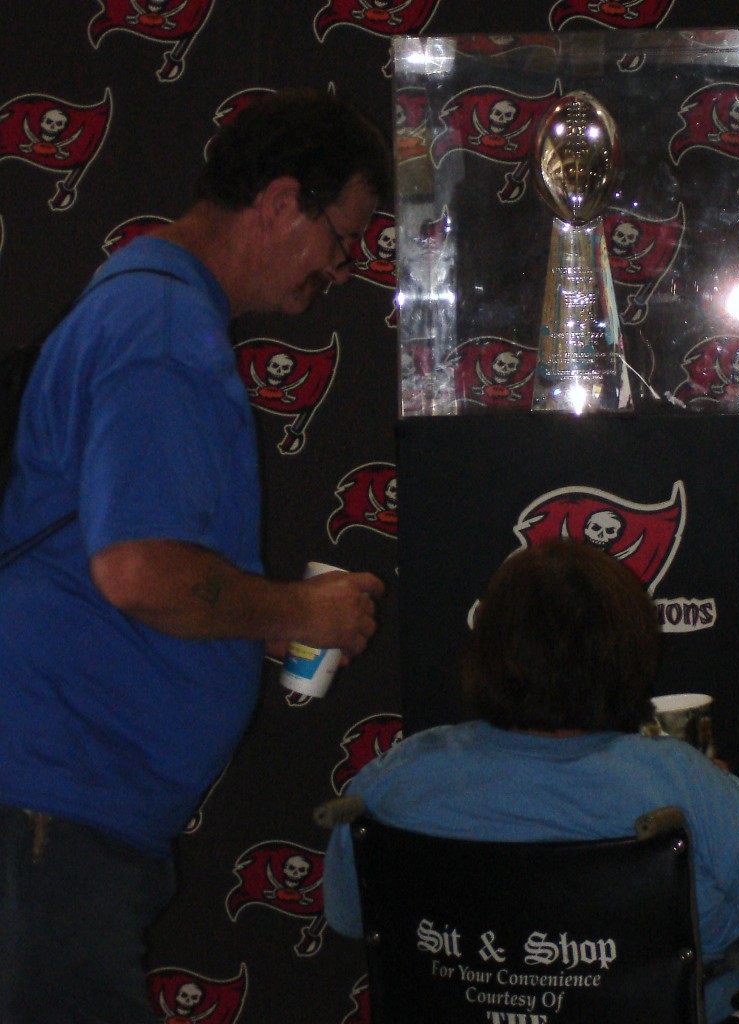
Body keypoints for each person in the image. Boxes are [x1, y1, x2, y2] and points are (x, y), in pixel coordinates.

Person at [0, 89, 390, 1023]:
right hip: (56, 796)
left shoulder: (149, 303)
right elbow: (135, 572)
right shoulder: (165, 331)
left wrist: (242, 621)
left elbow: (138, 560)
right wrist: (301, 614)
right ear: (280, 202)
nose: (342, 269)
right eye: (343, 237)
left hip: (65, 800)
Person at [323, 539, 739, 1024]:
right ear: (627, 657)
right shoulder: (681, 783)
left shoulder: (392, 781)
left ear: (485, 651)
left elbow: (352, 919)